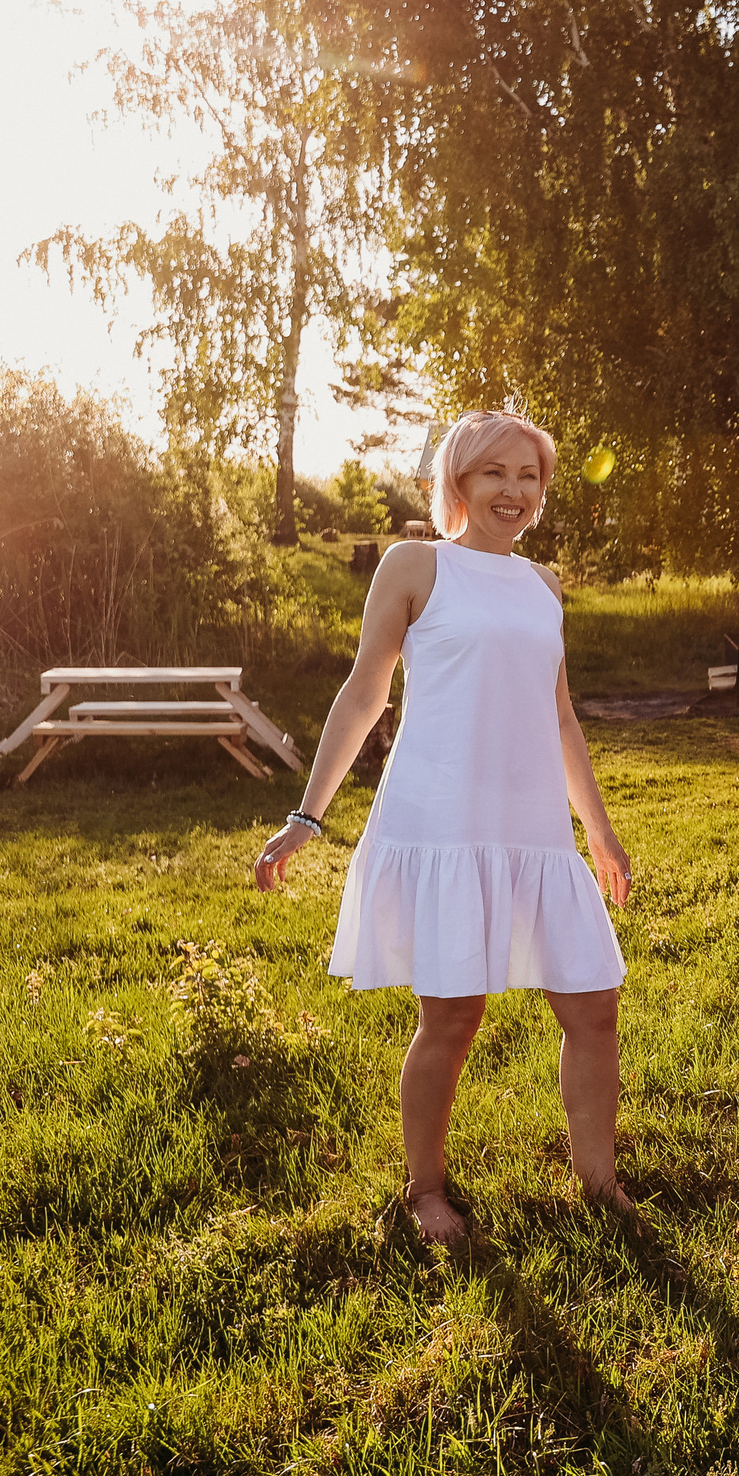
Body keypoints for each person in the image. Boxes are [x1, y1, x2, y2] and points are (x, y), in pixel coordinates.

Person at [253, 409, 632, 1244]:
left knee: (594, 1005)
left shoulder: (544, 585)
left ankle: (599, 1183)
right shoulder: (415, 563)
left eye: (529, 476)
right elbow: (364, 695)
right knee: (453, 1017)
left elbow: (561, 716)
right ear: (459, 479)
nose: (515, 491)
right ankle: (426, 1190)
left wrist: (598, 832)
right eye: (496, 472)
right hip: (444, 819)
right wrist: (307, 816)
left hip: (532, 827)